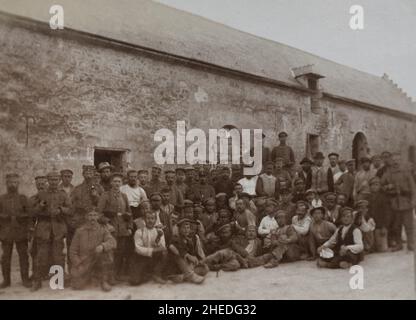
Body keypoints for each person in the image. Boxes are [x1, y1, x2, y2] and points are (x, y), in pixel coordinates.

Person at [31, 171, 71, 291]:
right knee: (41, 257)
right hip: (44, 228)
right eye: (51, 179)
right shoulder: (41, 194)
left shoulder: (63, 194)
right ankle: (37, 282)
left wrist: (61, 209)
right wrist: (41, 206)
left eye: (56, 179)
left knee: (58, 257)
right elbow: (32, 212)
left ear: (59, 180)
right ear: (48, 180)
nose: (54, 182)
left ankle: (58, 281)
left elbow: (70, 210)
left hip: (58, 228)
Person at [97, 173, 133, 281]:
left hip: (122, 229)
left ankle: (117, 274)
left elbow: (129, 213)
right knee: (110, 252)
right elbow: (99, 213)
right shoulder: (105, 195)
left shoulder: (124, 196)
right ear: (111, 183)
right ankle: (109, 276)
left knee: (120, 252)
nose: (117, 184)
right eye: (115, 181)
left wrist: (130, 227)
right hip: (110, 229)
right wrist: (108, 223)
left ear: (121, 183)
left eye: (119, 182)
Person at [70, 210, 116, 292]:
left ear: (98, 217)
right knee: (77, 286)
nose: (92, 218)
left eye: (95, 215)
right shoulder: (80, 231)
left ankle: (103, 280)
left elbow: (112, 242)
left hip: (98, 259)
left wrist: (103, 246)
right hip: (84, 261)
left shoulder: (103, 229)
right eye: (90, 215)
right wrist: (78, 263)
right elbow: (73, 250)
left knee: (105, 253)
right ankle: (90, 277)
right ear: (86, 217)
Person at [69, 165, 104, 270]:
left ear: (94, 174)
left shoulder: (99, 188)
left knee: (95, 246)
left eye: (91, 172)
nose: (88, 174)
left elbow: (103, 205)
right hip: (80, 220)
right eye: (86, 172)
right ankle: (77, 269)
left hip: (94, 221)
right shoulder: (77, 189)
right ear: (83, 174)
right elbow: (71, 205)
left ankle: (96, 272)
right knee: (79, 246)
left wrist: (96, 196)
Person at [0, 173, 32, 288]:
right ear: (6, 184)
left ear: (18, 184)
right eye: (10, 182)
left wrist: (29, 231)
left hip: (21, 232)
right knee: (5, 258)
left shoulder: (23, 198)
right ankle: (6, 281)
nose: (12, 185)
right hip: (6, 232)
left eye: (14, 182)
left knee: (23, 257)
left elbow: (29, 216)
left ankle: (25, 280)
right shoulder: (1, 199)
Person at [380, 153, 415, 251]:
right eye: (394, 160)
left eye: (398, 160)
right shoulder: (388, 173)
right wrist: (387, 187)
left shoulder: (406, 172)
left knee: (409, 225)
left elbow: (413, 188)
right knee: (396, 225)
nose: (395, 162)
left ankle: (411, 244)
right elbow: (381, 185)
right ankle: (399, 244)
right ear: (391, 161)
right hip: (394, 203)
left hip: (406, 202)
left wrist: (413, 201)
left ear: (401, 160)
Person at [129, 211, 168, 285]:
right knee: (134, 282)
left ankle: (156, 274)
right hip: (141, 258)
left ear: (155, 220)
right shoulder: (139, 232)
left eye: (152, 218)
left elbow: (162, 246)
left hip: (154, 257)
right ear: (144, 219)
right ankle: (147, 274)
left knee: (164, 253)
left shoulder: (159, 231)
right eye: (148, 218)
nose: (150, 220)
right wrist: (153, 250)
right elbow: (138, 249)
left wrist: (158, 239)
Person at [168, 218, 209, 284]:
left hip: (186, 266)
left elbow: (192, 255)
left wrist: (196, 260)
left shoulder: (189, 240)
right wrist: (188, 255)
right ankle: (191, 275)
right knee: (178, 255)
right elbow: (172, 247)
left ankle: (183, 277)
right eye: (184, 228)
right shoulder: (175, 238)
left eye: (188, 228)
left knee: (205, 268)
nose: (186, 230)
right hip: (176, 265)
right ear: (179, 229)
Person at [368, 176, 391, 252]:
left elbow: (387, 213)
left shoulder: (383, 198)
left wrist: (384, 226)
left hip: (380, 226)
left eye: (376, 185)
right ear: (370, 187)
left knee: (382, 250)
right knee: (372, 248)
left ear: (380, 186)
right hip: (371, 226)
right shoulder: (368, 198)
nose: (374, 187)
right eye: (372, 185)